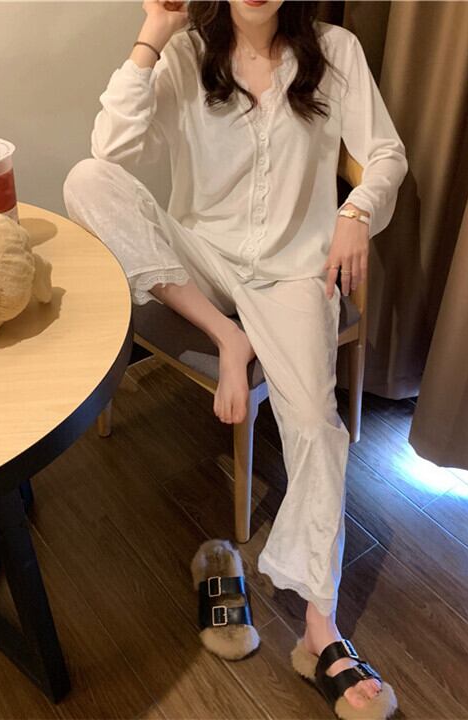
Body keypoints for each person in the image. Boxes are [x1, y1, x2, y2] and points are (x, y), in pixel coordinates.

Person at [63, 0, 407, 715]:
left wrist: (356, 211)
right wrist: (153, 32)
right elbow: (111, 149)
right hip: (204, 259)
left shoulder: (336, 51)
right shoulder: (185, 55)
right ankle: (228, 336)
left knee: (316, 424)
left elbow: (386, 154)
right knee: (85, 179)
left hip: (293, 273)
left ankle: (320, 628)